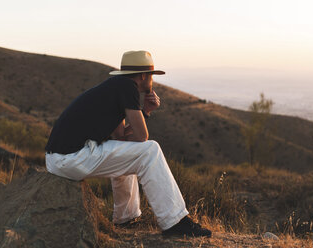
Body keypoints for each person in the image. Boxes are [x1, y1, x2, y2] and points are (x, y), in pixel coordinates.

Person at [45, 50, 211, 237]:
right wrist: (146, 111)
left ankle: (126, 218)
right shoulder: (128, 87)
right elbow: (142, 137)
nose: (152, 81)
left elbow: (121, 138)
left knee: (130, 152)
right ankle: (175, 222)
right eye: (152, 76)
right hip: (71, 158)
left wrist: (145, 111)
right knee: (150, 150)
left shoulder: (115, 87)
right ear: (143, 76)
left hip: (60, 159)